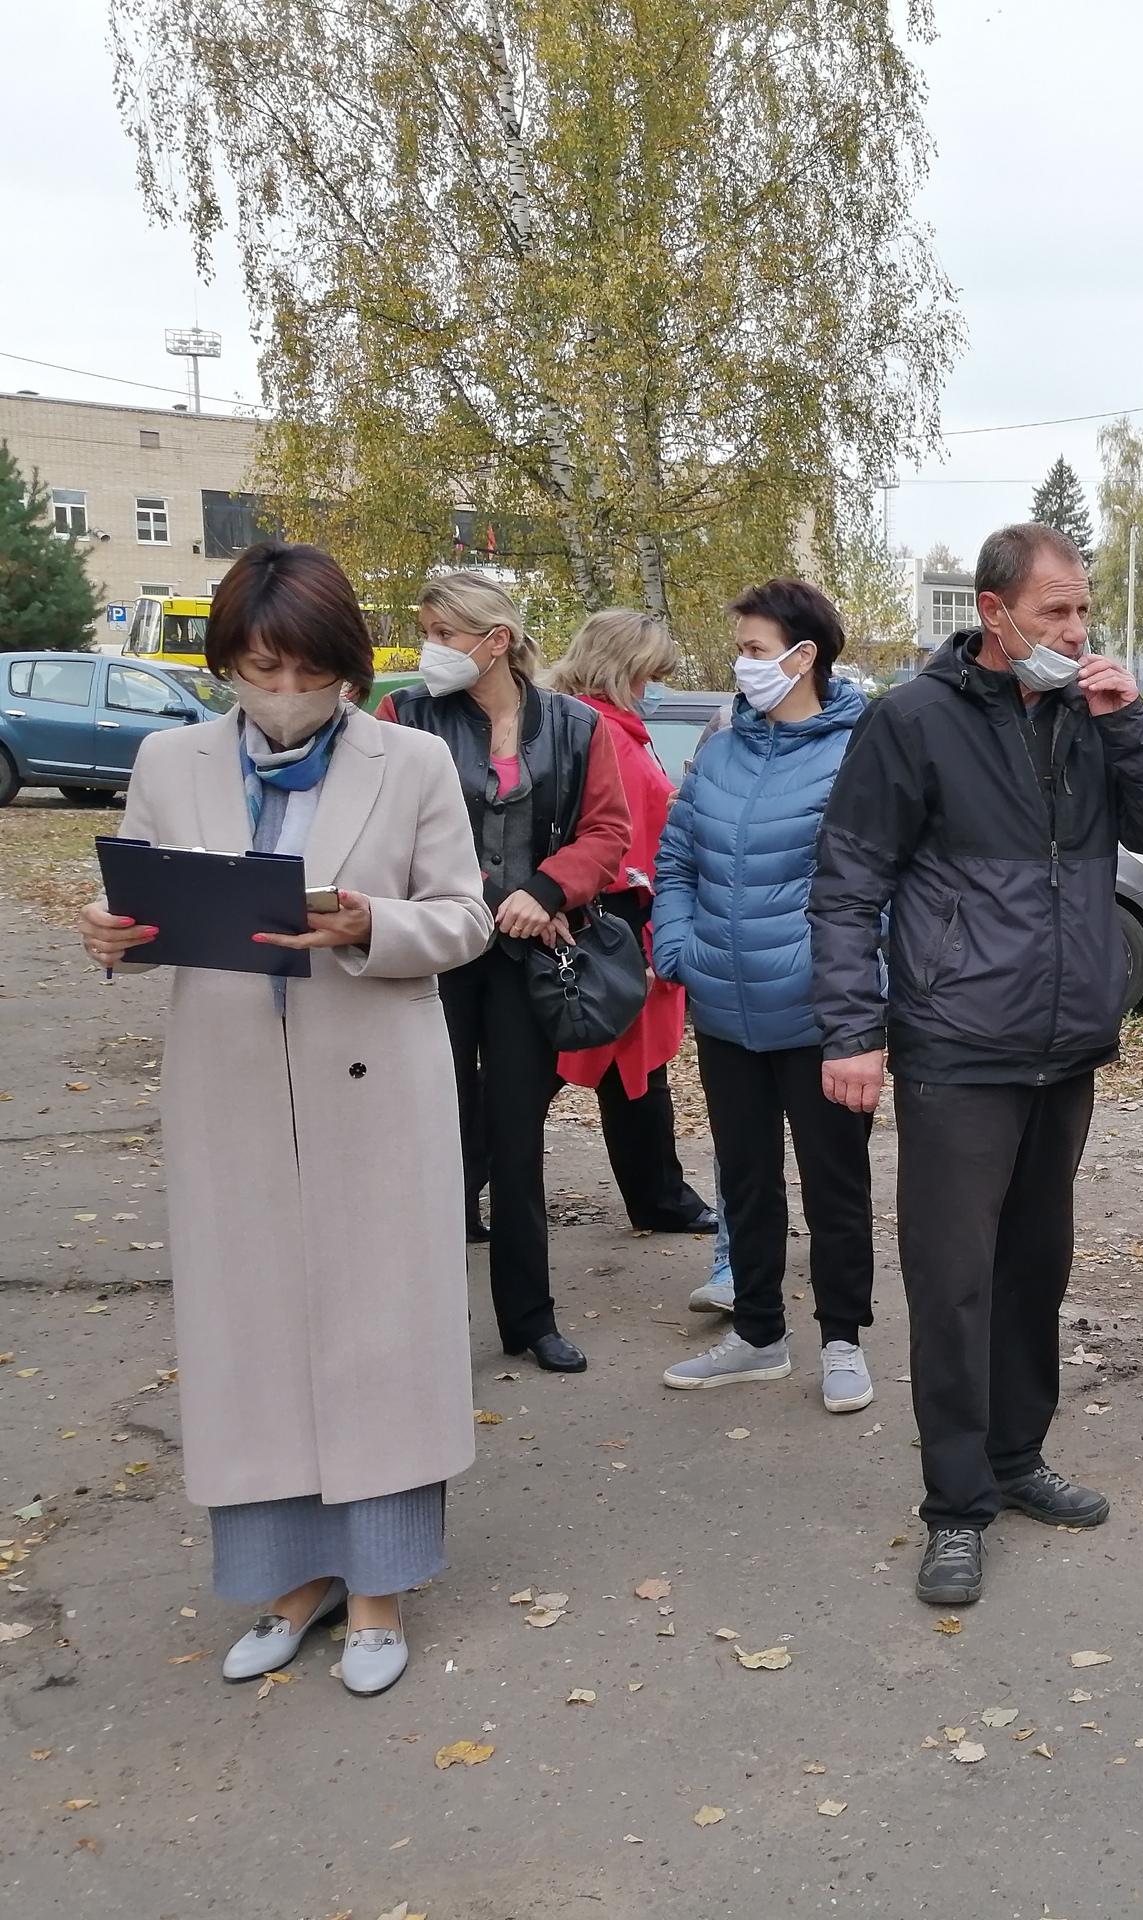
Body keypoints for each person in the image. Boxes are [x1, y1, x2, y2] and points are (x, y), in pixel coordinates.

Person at [78, 542, 492, 1698]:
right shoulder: (171, 757)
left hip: (374, 1084)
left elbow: (463, 921)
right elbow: (147, 901)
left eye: (308, 670)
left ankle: (376, 1591)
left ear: (347, 667)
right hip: (231, 1083)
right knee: (250, 1330)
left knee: (377, 1330)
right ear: (226, 664)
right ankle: (288, 1584)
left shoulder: (409, 761)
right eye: (258, 667)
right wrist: (115, 936)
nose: (283, 690)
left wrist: (370, 925)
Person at [809, 522, 1143, 1609]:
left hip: (1062, 1047)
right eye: (1055, 613)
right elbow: (847, 885)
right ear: (994, 614)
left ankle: (1019, 1459)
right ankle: (954, 1505)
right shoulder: (912, 722)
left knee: (1036, 1270)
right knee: (955, 1282)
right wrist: (852, 1030)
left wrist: (1130, 724)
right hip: (954, 1049)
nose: (1075, 632)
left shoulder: (1090, 715)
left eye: (1083, 612)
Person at [383, 570, 630, 1375]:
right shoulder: (401, 718)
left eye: (445, 634)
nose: (430, 649)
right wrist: (508, 894)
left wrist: (551, 890)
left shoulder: (574, 725)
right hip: (432, 955)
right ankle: (421, 1324)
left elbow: (605, 830)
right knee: (432, 1142)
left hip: (525, 963)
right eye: (426, 630)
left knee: (518, 1144)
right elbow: (385, 829)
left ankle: (530, 1320)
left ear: (495, 641)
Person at [653, 580, 875, 1412]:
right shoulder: (721, 746)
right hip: (724, 1006)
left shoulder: (860, 749)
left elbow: (877, 885)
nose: (741, 665)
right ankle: (758, 1335)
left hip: (819, 1012)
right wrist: (676, 946)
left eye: (753, 650)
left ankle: (843, 1339)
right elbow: (678, 860)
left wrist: (860, 991)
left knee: (834, 1184)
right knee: (745, 1182)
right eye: (742, 650)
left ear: (803, 655)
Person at [545, 610, 716, 1236]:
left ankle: (659, 1194)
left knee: (606, 1064)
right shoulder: (610, 734)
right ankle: (660, 1196)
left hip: (596, 909)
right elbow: (623, 839)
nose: (653, 688)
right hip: (615, 913)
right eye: (647, 675)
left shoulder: (587, 725)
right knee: (624, 1064)